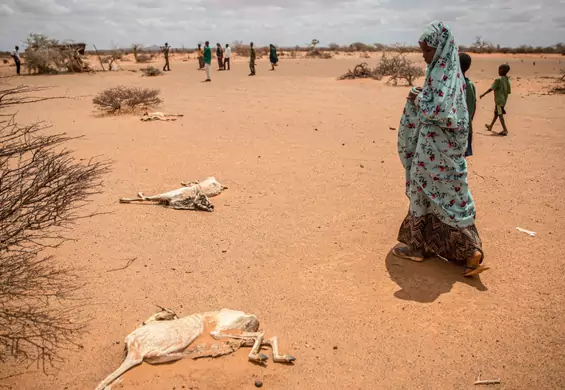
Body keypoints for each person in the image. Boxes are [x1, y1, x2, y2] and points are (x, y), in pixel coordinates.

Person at [394, 21, 486, 277]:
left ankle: (446, 249)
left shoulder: (442, 74)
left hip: (436, 152)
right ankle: (457, 250)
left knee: (434, 194)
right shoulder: (449, 74)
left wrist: (417, 97)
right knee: (448, 196)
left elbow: (442, 111)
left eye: (427, 51)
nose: (424, 56)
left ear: (441, 48)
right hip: (441, 151)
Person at [480, 64, 511, 136]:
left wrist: (483, 94)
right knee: (496, 113)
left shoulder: (498, 80)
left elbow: (491, 88)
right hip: (504, 100)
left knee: (500, 114)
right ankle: (490, 126)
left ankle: (505, 129)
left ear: (501, 70)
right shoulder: (507, 80)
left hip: (499, 101)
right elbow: (508, 91)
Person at [460, 53, 476, 157]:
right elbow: (473, 106)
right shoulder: (469, 85)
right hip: (466, 127)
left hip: (460, 128)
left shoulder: (464, 85)